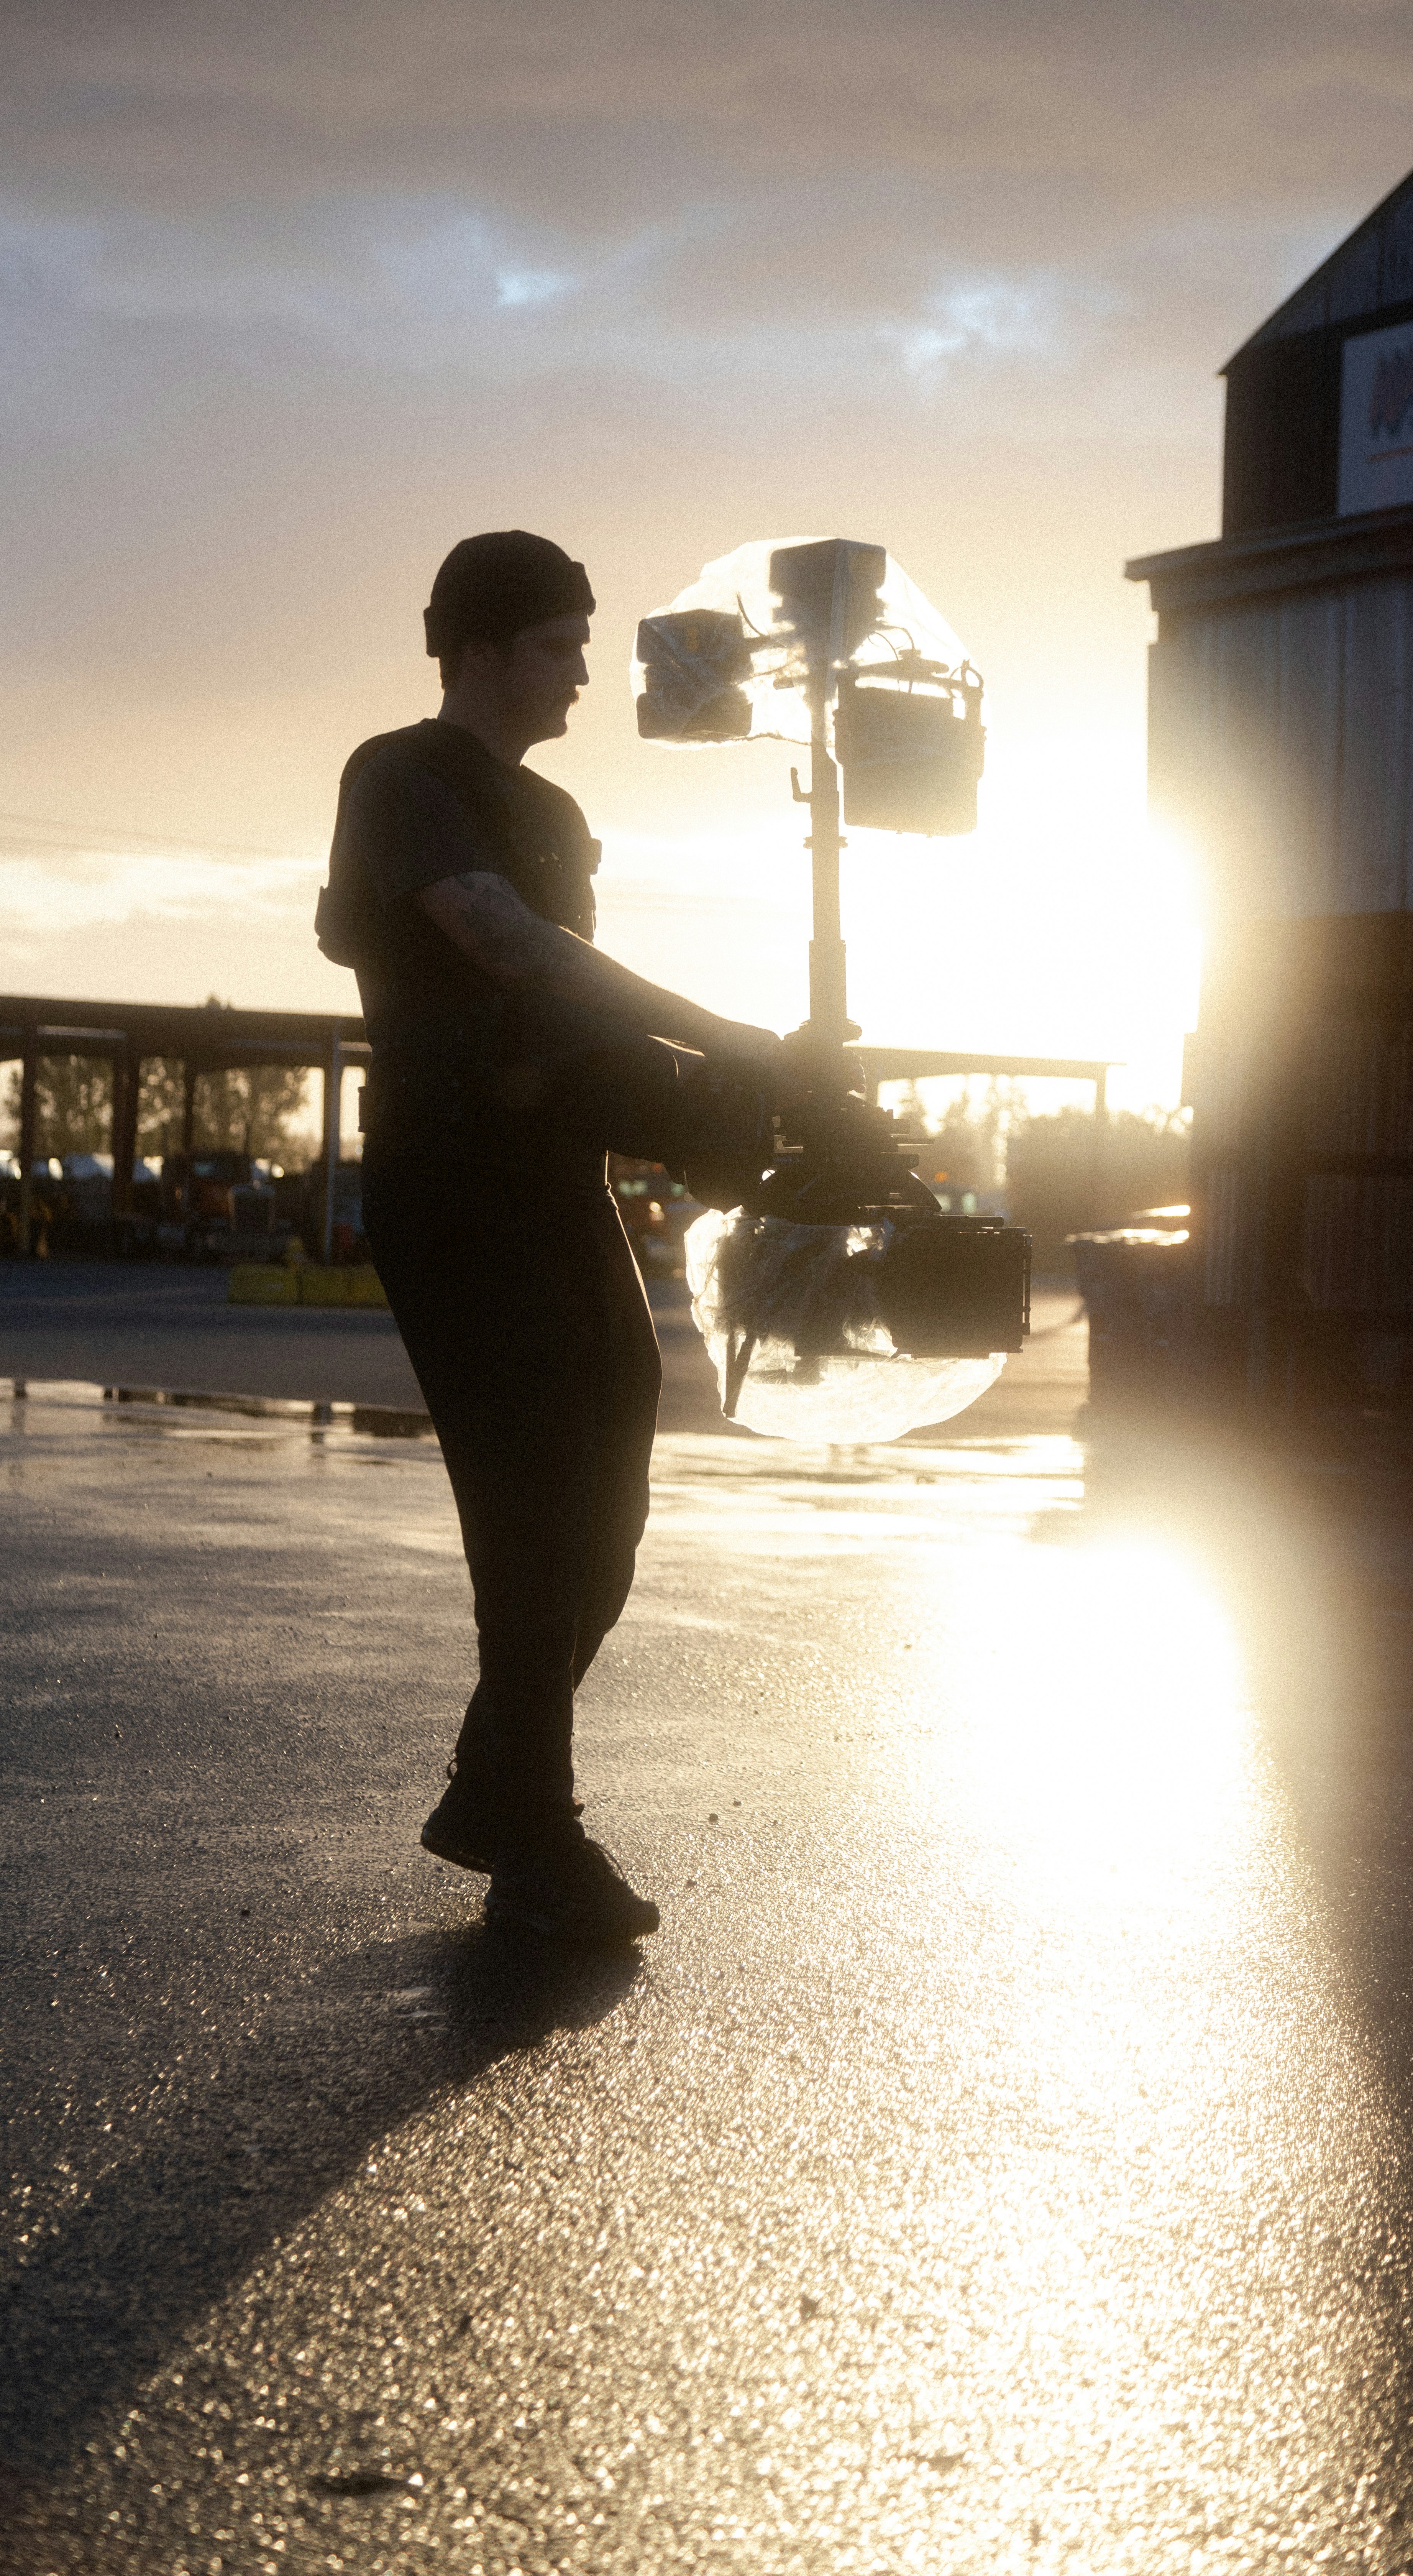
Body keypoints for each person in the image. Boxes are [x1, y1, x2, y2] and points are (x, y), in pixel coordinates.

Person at [316, 530, 788, 1947]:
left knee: (612, 1494)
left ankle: (500, 1789)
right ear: (473, 649)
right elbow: (505, 945)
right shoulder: (399, 778)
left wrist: (724, 1097)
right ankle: (536, 1830)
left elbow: (571, 1014)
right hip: (454, 1188)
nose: (583, 669)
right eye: (559, 643)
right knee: (530, 1505)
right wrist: (720, 1041)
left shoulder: (561, 813)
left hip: (553, 1177)